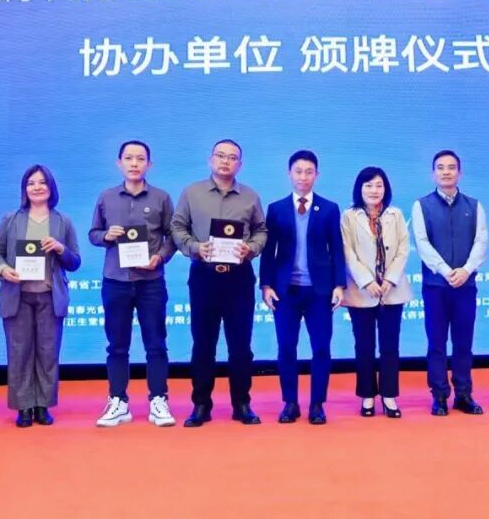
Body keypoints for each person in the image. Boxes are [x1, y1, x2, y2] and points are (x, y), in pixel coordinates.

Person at [171, 139, 267, 427]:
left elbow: (261, 230)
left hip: (239, 278)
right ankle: (201, 405)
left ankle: (242, 404)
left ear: (240, 164)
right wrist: (194, 247)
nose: (226, 161)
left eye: (232, 157)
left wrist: (251, 248)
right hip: (204, 276)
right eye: (221, 156)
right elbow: (177, 227)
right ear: (210, 160)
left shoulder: (250, 196)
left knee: (241, 346)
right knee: (203, 344)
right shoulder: (192, 193)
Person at [88, 141, 177, 427]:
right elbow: (93, 233)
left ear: (149, 164)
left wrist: (159, 257)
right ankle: (118, 401)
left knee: (156, 344)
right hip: (116, 280)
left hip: (151, 281)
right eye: (129, 158)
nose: (134, 163)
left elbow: (173, 236)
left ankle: (158, 400)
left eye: (140, 158)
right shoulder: (106, 197)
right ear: (119, 163)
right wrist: (106, 236)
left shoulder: (161, 197)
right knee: (117, 345)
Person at [0, 165, 81, 427]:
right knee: (19, 353)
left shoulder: (62, 221)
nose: (37, 187)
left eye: (42, 182)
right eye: (31, 183)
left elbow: (75, 262)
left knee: (48, 353)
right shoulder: (11, 219)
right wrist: (3, 269)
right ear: (24, 189)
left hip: (50, 296)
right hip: (17, 296)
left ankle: (43, 406)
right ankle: (23, 407)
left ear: (51, 188)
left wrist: (61, 249)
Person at [260, 150, 346, 425]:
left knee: (321, 347)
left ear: (316, 175)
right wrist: (265, 285)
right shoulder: (276, 209)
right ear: (289, 174)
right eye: (298, 171)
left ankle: (317, 404)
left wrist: (339, 284)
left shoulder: (329, 208)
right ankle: (290, 403)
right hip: (285, 291)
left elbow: (337, 249)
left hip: (319, 291)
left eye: (309, 172)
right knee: (286, 346)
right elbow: (268, 251)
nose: (303, 177)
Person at [411, 150, 488, 416]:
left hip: (465, 285)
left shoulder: (474, 206)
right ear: (433, 173)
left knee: (463, 342)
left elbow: (481, 241)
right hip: (436, 287)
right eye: (441, 167)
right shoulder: (421, 205)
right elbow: (422, 243)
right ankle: (439, 395)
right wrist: (445, 271)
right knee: (436, 343)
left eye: (451, 167)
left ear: (460, 173)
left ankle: (464, 394)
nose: (446, 172)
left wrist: (466, 270)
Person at [340, 166, 412, 418]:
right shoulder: (349, 216)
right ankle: (368, 396)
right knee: (364, 346)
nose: (374, 190)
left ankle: (389, 396)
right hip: (362, 292)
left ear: (386, 189)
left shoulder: (396, 214)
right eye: (368, 185)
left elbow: (403, 249)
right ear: (360, 189)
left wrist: (390, 279)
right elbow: (347, 252)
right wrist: (366, 281)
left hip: (392, 291)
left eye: (379, 185)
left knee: (390, 347)